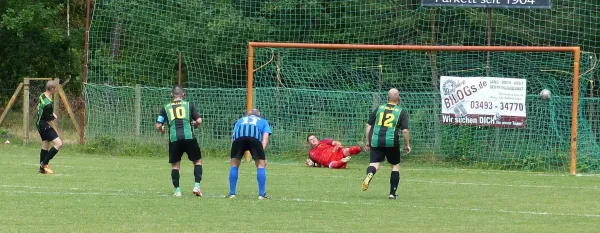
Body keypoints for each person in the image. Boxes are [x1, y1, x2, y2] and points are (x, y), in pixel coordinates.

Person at [362, 88, 411, 200]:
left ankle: (369, 175)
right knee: (395, 165)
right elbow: (405, 130)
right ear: (398, 98)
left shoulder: (379, 108)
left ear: (387, 98)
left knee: (374, 164)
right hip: (391, 141)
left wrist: (368, 141)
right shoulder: (400, 111)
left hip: (376, 140)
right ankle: (392, 194)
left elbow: (368, 125)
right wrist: (407, 144)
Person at [155, 85, 204, 197]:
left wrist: (162, 129)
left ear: (172, 95)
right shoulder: (188, 105)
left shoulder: (165, 107)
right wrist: (196, 124)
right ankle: (196, 186)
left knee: (175, 166)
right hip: (189, 137)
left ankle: (177, 191)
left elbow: (158, 125)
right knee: (197, 162)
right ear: (183, 95)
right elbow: (199, 120)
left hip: (174, 139)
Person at [227, 109, 272, 200]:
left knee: (234, 164)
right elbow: (265, 138)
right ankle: (261, 195)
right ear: (258, 116)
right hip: (254, 139)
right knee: (260, 165)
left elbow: (233, 137)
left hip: (239, 139)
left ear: (248, 115)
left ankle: (232, 193)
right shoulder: (263, 121)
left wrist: (233, 153)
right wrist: (261, 154)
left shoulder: (240, 120)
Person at [37, 80, 63, 174]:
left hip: (39, 123)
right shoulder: (48, 103)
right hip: (45, 124)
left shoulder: (42, 95)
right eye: (55, 88)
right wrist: (55, 129)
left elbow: (42, 109)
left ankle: (42, 170)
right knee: (59, 144)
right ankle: (44, 163)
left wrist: (52, 114)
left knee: (46, 144)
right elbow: (49, 120)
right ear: (52, 89)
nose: (56, 90)